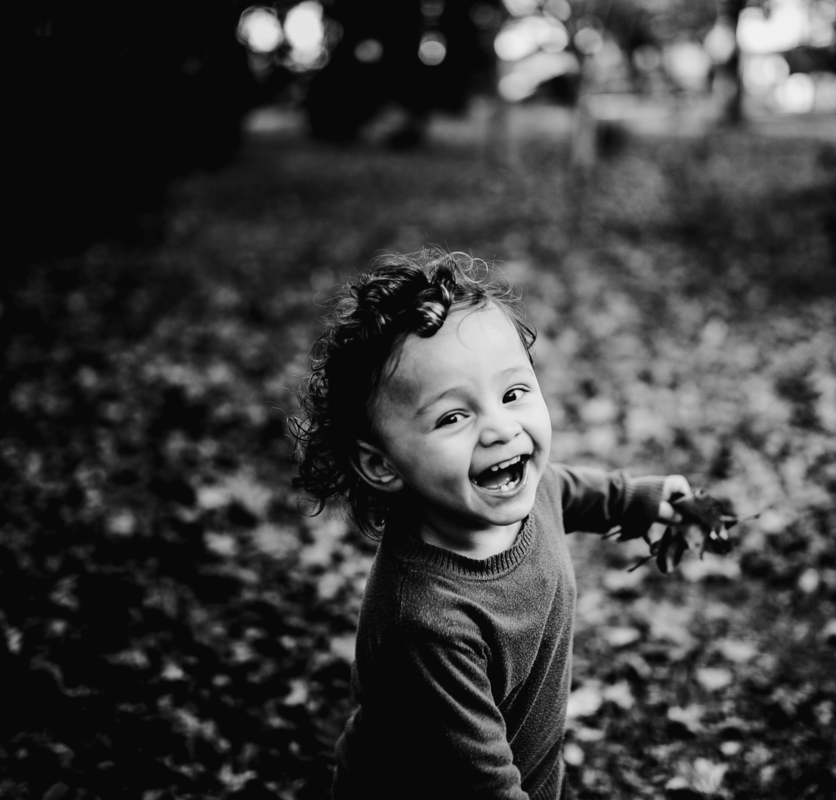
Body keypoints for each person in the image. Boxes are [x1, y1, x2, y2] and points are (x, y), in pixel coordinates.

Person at [291, 248, 692, 800]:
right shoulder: (426, 622)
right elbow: (479, 785)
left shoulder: (528, 491)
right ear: (382, 464)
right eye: (454, 416)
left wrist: (641, 500)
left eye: (512, 393)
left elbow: (568, 490)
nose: (501, 428)